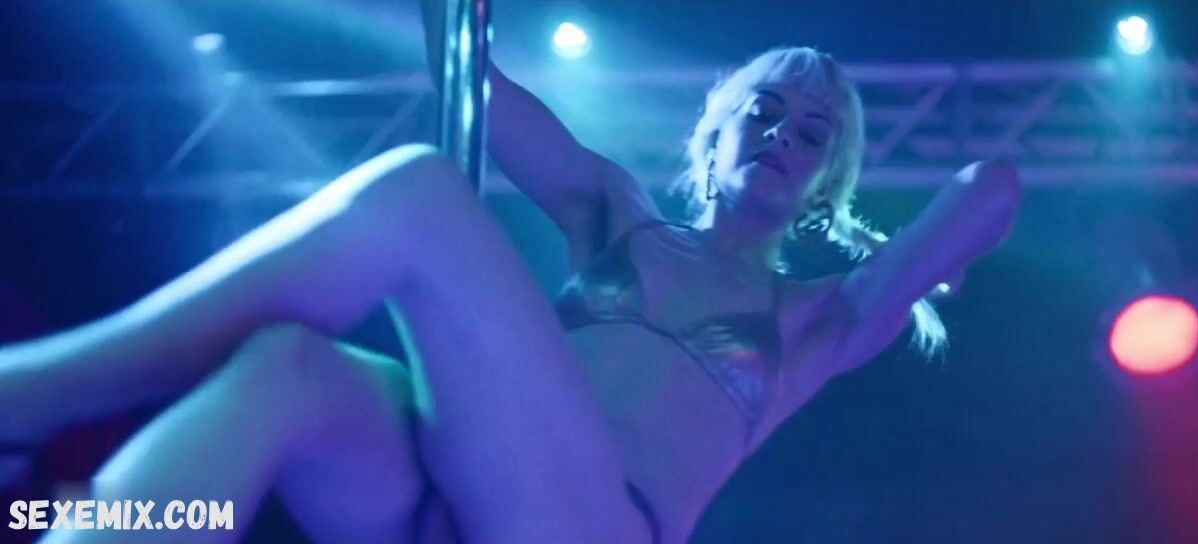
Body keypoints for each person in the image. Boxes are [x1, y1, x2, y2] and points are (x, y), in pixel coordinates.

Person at [0, 46, 1020, 543]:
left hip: (586, 528)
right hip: (456, 492)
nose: (781, 135)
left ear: (824, 181)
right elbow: (468, 74)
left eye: (811, 134)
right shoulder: (614, 212)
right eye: (764, 110)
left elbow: (993, 187)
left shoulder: (815, 317)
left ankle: (33, 392)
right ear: (715, 133)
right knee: (287, 367)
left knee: (419, 193)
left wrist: (923, 248)